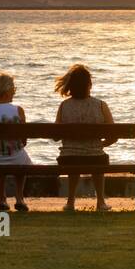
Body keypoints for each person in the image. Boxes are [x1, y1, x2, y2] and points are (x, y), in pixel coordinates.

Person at [53, 63, 116, 212]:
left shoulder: (64, 106)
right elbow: (114, 134)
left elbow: (55, 135)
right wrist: (101, 145)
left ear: (71, 86)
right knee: (98, 157)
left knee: (75, 157)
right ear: (90, 84)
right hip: (95, 157)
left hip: (68, 159)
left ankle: (70, 202)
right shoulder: (101, 105)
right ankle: (100, 202)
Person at [0, 72, 31, 212]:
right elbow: (24, 141)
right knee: (21, 157)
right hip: (15, 157)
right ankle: (20, 197)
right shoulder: (18, 110)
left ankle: (2, 198)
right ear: (9, 91)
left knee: (0, 158)